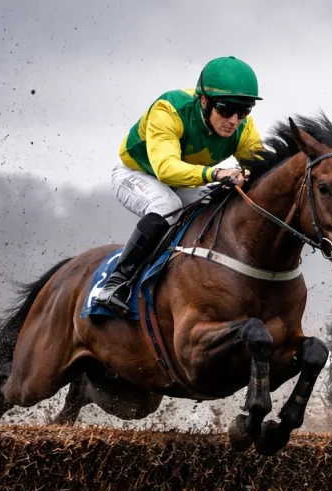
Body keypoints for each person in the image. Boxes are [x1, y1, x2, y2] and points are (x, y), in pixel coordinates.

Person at [93, 56, 264, 316]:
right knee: (167, 205)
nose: (234, 120)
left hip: (185, 179)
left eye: (244, 111)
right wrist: (217, 173)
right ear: (204, 101)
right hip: (138, 173)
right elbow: (165, 169)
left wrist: (246, 176)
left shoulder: (243, 128)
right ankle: (116, 283)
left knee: (219, 204)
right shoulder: (169, 109)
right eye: (226, 109)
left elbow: (260, 169)